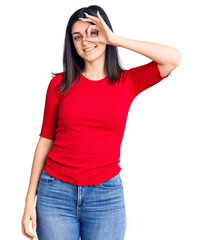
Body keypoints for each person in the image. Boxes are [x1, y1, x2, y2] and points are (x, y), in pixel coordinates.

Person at [21, 4, 182, 240]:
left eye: (93, 32)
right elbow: (45, 140)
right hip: (54, 194)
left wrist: (115, 39)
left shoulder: (128, 82)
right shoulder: (60, 84)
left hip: (105, 197)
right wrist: (28, 202)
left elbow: (173, 58)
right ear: (72, 43)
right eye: (77, 36)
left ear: (105, 33)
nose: (85, 41)